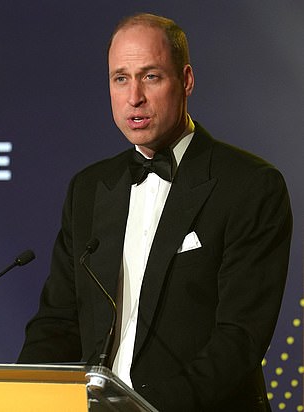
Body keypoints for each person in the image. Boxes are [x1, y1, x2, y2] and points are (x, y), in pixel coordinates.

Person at [17, 13, 292, 411]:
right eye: (120, 78)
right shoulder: (90, 189)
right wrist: (25, 397)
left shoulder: (249, 186)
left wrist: (141, 408)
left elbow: (239, 339)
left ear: (187, 80)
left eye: (151, 76)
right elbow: (57, 322)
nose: (134, 98)